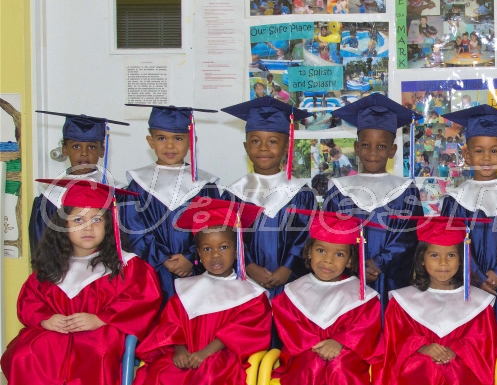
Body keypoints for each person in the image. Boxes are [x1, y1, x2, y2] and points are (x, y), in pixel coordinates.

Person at [2, 179, 162, 385]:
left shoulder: (126, 265)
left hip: (102, 334)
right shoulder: (51, 266)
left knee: (95, 350)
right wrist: (46, 319)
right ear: (62, 226)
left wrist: (101, 318)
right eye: (78, 219)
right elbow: (29, 301)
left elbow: (142, 300)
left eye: (96, 219)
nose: (88, 227)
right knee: (24, 352)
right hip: (56, 332)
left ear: (109, 225)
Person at [122, 198, 272, 385]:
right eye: (207, 249)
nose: (216, 255)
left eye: (224, 247)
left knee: (208, 375)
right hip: (186, 351)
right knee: (163, 372)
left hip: (223, 355)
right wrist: (179, 349)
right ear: (198, 255)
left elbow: (243, 330)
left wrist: (206, 353)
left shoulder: (250, 293)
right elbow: (171, 323)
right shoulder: (186, 288)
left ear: (237, 249)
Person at [376, 216, 497, 385]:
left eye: (451, 256)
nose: (443, 263)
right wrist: (422, 347)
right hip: (419, 360)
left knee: (452, 373)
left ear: (462, 259)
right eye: (434, 255)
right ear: (422, 259)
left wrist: (457, 350)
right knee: (422, 368)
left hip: (463, 363)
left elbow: (484, 341)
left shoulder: (478, 301)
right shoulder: (403, 300)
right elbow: (395, 340)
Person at [272, 210, 384, 385]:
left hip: (348, 356)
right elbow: (289, 326)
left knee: (340, 371)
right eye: (321, 251)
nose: (328, 260)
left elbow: (366, 328)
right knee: (308, 370)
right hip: (305, 353)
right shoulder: (293, 291)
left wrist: (340, 342)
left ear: (350, 260)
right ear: (309, 253)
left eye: (339, 254)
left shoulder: (361, 294)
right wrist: (316, 344)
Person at [440, 106, 497, 346]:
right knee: (470, 340)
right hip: (467, 285)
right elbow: (451, 244)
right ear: (467, 155)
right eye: (478, 151)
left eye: (493, 151)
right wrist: (476, 276)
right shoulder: (454, 200)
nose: (485, 158)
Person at [324, 94, 422, 319]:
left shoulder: (405, 189)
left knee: (390, 326)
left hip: (390, 278)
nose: (373, 153)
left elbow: (408, 237)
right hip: (347, 275)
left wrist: (378, 263)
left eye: (381, 146)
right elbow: (331, 234)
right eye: (366, 145)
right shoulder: (339, 189)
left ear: (392, 151)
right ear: (356, 147)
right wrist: (354, 265)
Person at [219, 99, 317, 299]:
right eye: (255, 141)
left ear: (287, 147)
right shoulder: (233, 194)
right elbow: (227, 236)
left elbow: (307, 236)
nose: (263, 148)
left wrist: (288, 267)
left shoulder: (301, 193)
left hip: (292, 282)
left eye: (272, 141)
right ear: (246, 147)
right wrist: (249, 266)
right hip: (245, 281)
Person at [122, 106, 221, 299]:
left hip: (194, 270)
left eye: (178, 138)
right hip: (151, 271)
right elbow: (133, 230)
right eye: (161, 138)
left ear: (192, 141)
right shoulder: (137, 184)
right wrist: (161, 258)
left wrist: (190, 256)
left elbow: (212, 227)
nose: (169, 145)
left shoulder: (204, 185)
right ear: (150, 141)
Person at [29, 111, 128, 254]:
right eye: (76, 146)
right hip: (62, 265)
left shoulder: (117, 193)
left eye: (92, 147)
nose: (84, 153)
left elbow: (125, 241)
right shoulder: (49, 196)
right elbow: (41, 246)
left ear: (102, 151)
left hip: (106, 264)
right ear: (64, 149)